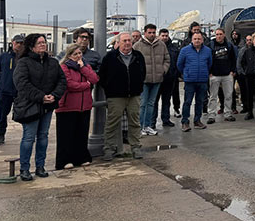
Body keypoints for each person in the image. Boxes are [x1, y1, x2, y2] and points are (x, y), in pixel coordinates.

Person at [12, 34, 67, 181]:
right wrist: (41, 96)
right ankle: (24, 169)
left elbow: (62, 81)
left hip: (48, 106)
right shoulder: (24, 63)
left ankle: (40, 166)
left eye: (44, 42)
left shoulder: (53, 62)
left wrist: (54, 95)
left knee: (43, 136)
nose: (43, 45)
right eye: (39, 43)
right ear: (31, 46)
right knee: (29, 137)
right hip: (30, 106)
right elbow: (22, 84)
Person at [99, 32, 146, 160]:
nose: (127, 43)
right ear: (118, 42)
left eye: (129, 40)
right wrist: (110, 89)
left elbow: (143, 73)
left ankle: (136, 147)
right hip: (115, 96)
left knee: (134, 122)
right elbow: (102, 76)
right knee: (112, 123)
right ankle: (109, 148)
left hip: (134, 95)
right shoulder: (110, 57)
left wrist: (138, 87)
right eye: (124, 41)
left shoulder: (138, 56)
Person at [55, 44, 99, 170]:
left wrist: (83, 68)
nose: (79, 56)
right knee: (66, 135)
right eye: (75, 54)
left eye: (80, 53)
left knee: (82, 133)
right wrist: (86, 85)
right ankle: (64, 160)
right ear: (69, 56)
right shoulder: (64, 67)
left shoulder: (85, 66)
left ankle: (81, 158)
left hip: (84, 106)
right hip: (68, 106)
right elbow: (70, 84)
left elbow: (94, 79)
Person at [133, 23, 170, 136]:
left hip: (157, 79)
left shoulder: (161, 45)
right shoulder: (137, 46)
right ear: (145, 33)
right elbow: (133, 62)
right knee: (142, 104)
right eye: (149, 32)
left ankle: (147, 126)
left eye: (153, 32)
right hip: (144, 80)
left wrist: (163, 70)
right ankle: (140, 127)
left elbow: (167, 59)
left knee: (151, 104)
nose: (152, 34)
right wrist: (139, 75)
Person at [177, 31, 212, 132]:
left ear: (202, 40)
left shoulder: (208, 51)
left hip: (202, 80)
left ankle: (197, 121)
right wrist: (186, 73)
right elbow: (179, 64)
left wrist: (204, 72)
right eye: (195, 39)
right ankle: (185, 122)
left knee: (200, 102)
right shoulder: (184, 50)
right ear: (191, 40)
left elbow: (209, 64)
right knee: (187, 102)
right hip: (190, 81)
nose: (197, 41)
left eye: (199, 39)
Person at [0, 34, 24, 145]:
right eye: (17, 42)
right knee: (2, 114)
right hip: (5, 91)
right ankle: (1, 135)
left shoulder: (25, 58)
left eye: (21, 43)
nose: (19, 45)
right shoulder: (3, 57)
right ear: (12, 42)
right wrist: (0, 84)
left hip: (21, 93)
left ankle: (29, 135)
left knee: (26, 114)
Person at [207, 28, 237, 123]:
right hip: (214, 75)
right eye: (217, 34)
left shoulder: (229, 45)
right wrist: (209, 72)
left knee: (228, 95)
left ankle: (228, 113)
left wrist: (232, 71)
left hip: (227, 74)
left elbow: (233, 58)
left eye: (220, 34)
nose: (218, 36)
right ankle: (211, 115)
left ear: (224, 35)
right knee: (213, 96)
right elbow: (207, 59)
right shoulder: (210, 45)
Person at [153, 28, 180, 128]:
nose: (164, 37)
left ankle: (166, 119)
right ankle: (152, 121)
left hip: (170, 78)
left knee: (166, 100)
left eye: (166, 36)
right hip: (157, 78)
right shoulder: (155, 47)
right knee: (154, 101)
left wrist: (176, 74)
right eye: (163, 36)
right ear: (159, 36)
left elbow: (177, 62)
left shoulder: (173, 48)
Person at [240, 32, 255, 119]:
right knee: (249, 94)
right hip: (249, 75)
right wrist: (246, 70)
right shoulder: (248, 51)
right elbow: (243, 62)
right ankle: (249, 112)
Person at [237, 35, 252, 114]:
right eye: (247, 40)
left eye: (250, 40)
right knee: (243, 92)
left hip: (251, 74)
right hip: (243, 74)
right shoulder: (242, 50)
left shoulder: (254, 49)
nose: (249, 41)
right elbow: (239, 62)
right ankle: (245, 107)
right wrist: (241, 72)